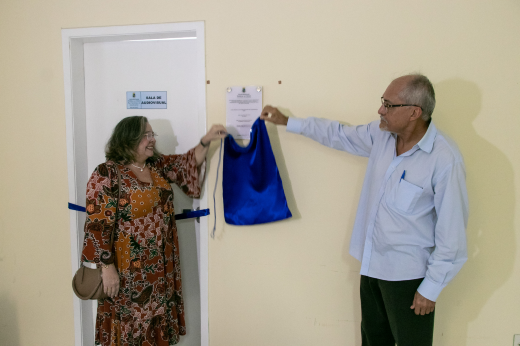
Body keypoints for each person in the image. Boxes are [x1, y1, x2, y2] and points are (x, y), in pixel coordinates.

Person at [260, 74, 468, 346]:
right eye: (383, 102)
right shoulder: (381, 136)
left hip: (409, 278)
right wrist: (288, 122)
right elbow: (339, 134)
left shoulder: (444, 159)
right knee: (372, 341)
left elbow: (452, 234)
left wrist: (431, 288)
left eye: (388, 105)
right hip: (371, 267)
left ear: (414, 113)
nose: (380, 110)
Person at [81, 116, 227, 345]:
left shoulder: (156, 166)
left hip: (160, 265)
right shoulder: (107, 173)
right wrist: (107, 268)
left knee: (156, 320)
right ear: (128, 140)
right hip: (127, 268)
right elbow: (96, 225)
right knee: (130, 324)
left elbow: (186, 163)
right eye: (145, 136)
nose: (151, 140)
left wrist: (206, 140)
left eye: (152, 135)